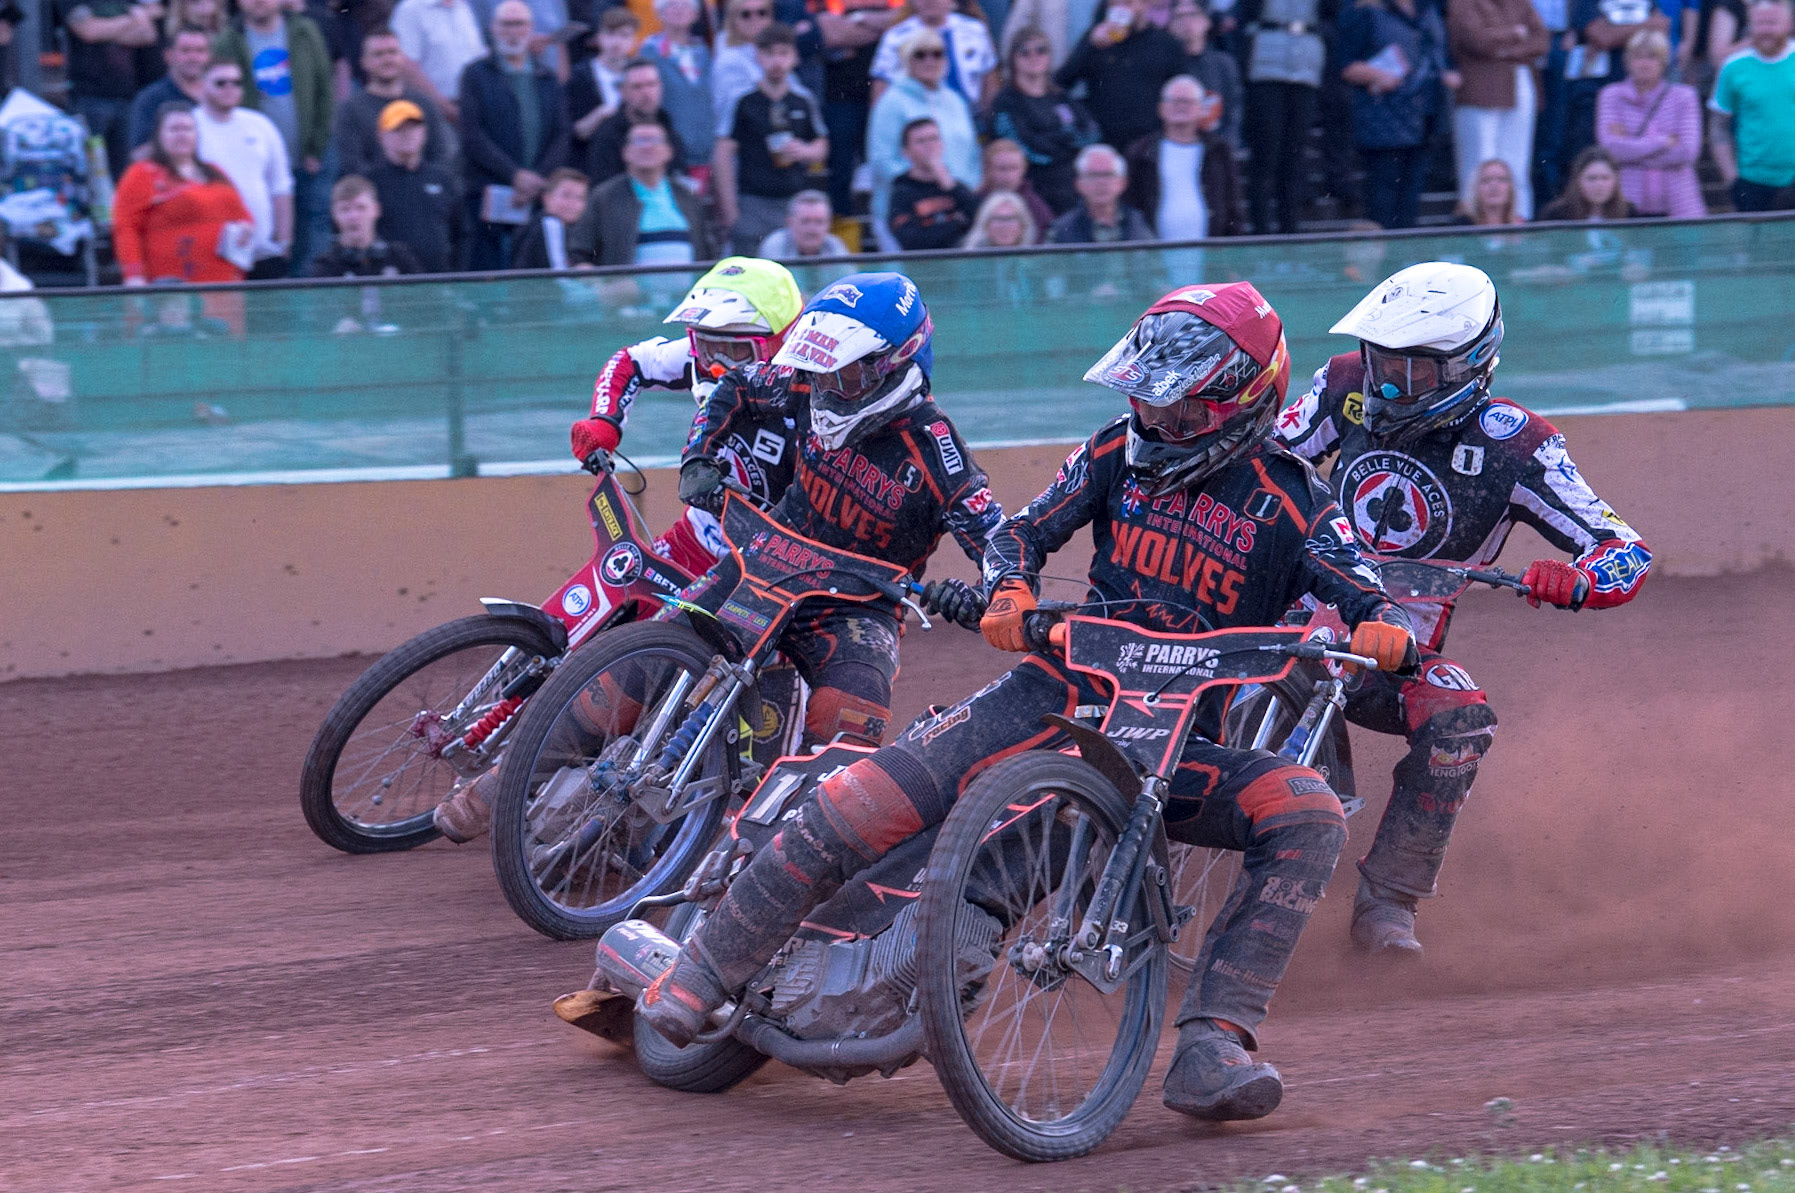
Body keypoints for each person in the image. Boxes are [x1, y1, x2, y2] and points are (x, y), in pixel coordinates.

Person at [636, 281, 1417, 1127]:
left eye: (1179, 409)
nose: (1156, 421)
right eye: (1146, 401)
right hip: (1051, 690)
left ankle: (1213, 1043)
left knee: (1307, 810)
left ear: (1243, 401)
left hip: (1172, 744)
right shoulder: (1114, 450)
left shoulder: (1294, 498)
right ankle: (702, 969)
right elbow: (1021, 528)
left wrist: (1381, 625)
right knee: (861, 798)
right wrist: (1010, 585)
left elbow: (1362, 588)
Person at [1276, 262, 1650, 955]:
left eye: (1412, 369)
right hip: (1288, 608)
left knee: (1460, 717)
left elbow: (1625, 548)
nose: (1388, 383)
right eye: (1380, 360)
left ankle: (1388, 903)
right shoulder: (1341, 384)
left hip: (1390, 651)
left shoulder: (1517, 445)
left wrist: (1578, 578)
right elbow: (1263, 459)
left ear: (1469, 365)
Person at [435, 257, 809, 844]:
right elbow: (630, 361)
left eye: (734, 350)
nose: (716, 362)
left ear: (782, 341)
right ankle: (527, 758)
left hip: (767, 574)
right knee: (612, 635)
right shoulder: (701, 359)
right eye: (706, 344)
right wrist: (605, 422)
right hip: (694, 542)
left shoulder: (813, 401)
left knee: (728, 702)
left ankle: (675, 820)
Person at [670, 270, 1003, 749]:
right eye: (820, 369)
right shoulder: (805, 385)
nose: (824, 386)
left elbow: (1003, 546)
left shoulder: (939, 453)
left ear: (892, 363)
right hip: (766, 560)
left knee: (848, 723)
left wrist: (977, 597)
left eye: (842, 374)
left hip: (856, 607)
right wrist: (698, 455)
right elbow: (737, 384)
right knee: (637, 663)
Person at [215, 0, 336, 275]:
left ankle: (312, 299)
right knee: (270, 250)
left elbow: (324, 89)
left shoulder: (305, 31)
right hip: (258, 166)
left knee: (311, 244)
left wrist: (316, 148)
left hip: (306, 159)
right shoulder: (229, 40)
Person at [460, 0, 573, 270]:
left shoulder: (547, 78)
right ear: (493, 29)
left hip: (538, 198)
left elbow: (561, 134)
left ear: (530, 29)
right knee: (492, 275)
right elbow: (472, 135)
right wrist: (514, 175)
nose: (513, 31)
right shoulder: (476, 75)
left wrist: (537, 180)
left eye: (519, 24)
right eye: (506, 24)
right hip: (489, 196)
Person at [1340, 0, 1457, 229]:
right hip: (1383, 124)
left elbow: (1440, 55)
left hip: (1424, 120)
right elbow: (1346, 65)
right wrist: (1377, 75)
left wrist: (1446, 74)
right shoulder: (1365, 10)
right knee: (1383, 206)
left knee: (1409, 209)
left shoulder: (1428, 10)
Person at [715, 22, 830, 254]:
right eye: (769, 54)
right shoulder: (742, 100)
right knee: (750, 269)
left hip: (795, 203)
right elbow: (723, 153)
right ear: (757, 57)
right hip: (753, 203)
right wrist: (730, 209)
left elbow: (822, 144)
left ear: (794, 57)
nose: (777, 61)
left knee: (794, 270)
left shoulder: (803, 99)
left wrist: (806, 152)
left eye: (783, 53)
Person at [114, 102, 255, 286]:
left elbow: (243, 216)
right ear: (159, 135)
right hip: (171, 287)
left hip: (224, 282)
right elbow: (126, 227)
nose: (182, 134)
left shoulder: (214, 171)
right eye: (174, 129)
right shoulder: (142, 174)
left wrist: (245, 228)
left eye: (188, 129)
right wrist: (134, 275)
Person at [866, 28, 983, 245]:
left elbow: (971, 152)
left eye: (937, 53)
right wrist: (925, 182)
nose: (929, 60)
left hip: (956, 208)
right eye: (920, 54)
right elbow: (881, 159)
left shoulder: (955, 100)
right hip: (906, 211)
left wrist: (963, 188)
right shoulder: (891, 101)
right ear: (907, 60)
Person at [194, 56, 295, 279]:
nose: (229, 88)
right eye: (220, 83)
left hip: (263, 251)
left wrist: (284, 242)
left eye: (236, 82)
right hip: (211, 252)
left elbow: (281, 186)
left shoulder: (260, 125)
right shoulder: (190, 127)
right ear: (202, 86)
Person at [1449, 0, 1549, 219]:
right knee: (1479, 165)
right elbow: (1476, 40)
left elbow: (1541, 40)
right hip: (1480, 87)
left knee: (1518, 164)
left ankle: (1518, 222)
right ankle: (1474, 223)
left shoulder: (1520, 3)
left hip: (1520, 82)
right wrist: (1515, 33)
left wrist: (1503, 49)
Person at [568, 118, 716, 264]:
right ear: (625, 152)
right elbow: (580, 254)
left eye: (654, 140)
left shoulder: (687, 196)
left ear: (669, 151)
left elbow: (708, 253)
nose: (647, 147)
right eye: (639, 141)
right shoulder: (605, 197)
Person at [986, 27, 1099, 214]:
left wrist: (1052, 140)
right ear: (1013, 59)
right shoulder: (1005, 102)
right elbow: (1020, 147)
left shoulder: (1061, 96)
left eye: (1041, 50)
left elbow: (1092, 133)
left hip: (1070, 190)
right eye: (1024, 52)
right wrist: (1064, 141)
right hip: (1032, 193)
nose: (1034, 56)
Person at [1236, 0, 1325, 234]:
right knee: (1265, 153)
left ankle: (1290, 230)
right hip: (1265, 66)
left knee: (1295, 155)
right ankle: (1261, 230)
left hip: (1306, 66)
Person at [1054, 0, 1189, 152]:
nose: (1120, 9)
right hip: (1104, 144)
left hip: (1148, 147)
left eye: (1127, 3)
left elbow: (1183, 90)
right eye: (1113, 4)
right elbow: (1061, 82)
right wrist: (1090, 45)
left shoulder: (1165, 44)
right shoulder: (1095, 40)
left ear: (1144, 5)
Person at [1596, 29, 1704, 217]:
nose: (1644, 63)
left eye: (1652, 57)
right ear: (1628, 61)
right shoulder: (1611, 96)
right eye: (1638, 57)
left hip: (1678, 205)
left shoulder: (1684, 97)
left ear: (1663, 61)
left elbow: (1687, 152)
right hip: (1627, 204)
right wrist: (1662, 142)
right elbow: (1610, 149)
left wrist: (1630, 147)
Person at [55, 0, 165, 181]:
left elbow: (147, 35)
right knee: (90, 173)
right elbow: (89, 31)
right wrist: (137, 18)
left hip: (128, 98)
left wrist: (107, 30)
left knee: (126, 172)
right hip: (89, 99)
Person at [1124, 74, 1242, 239]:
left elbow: (1232, 205)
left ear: (1201, 108)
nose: (1180, 107)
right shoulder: (1141, 152)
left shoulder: (1219, 151)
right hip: (1152, 251)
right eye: (1174, 101)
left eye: (1187, 101)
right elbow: (1132, 205)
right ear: (1161, 108)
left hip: (1213, 250)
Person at [1709, 0, 1795, 212]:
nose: (1766, 30)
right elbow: (1718, 127)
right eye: (1760, 24)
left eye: (1772, 23)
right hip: (1752, 181)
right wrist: (1731, 178)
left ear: (1789, 24)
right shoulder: (1733, 66)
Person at [332, 27, 452, 178]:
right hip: (372, 190)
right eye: (379, 54)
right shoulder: (351, 111)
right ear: (364, 62)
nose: (387, 59)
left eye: (392, 52)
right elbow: (352, 165)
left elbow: (441, 157)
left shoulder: (424, 104)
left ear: (402, 58)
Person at [366, 98, 464, 272]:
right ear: (381, 136)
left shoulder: (442, 179)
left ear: (424, 132)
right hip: (389, 280)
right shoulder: (370, 183)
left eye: (413, 127)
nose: (407, 134)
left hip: (439, 279)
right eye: (398, 129)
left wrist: (456, 273)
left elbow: (462, 232)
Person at [869, 0, 999, 110]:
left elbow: (989, 81)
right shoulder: (895, 37)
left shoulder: (975, 30)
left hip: (972, 119)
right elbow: (880, 91)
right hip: (915, 122)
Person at [583, 58, 692, 184]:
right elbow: (602, 187)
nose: (646, 93)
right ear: (623, 92)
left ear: (661, 87)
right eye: (637, 87)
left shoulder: (669, 130)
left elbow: (679, 178)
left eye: (651, 84)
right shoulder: (607, 135)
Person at [640, 0, 717, 172]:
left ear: (695, 14)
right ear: (659, 13)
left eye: (685, 4)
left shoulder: (703, 52)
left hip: (706, 155)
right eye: (672, 4)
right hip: (670, 156)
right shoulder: (650, 52)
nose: (679, 8)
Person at [887, 117, 980, 248]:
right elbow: (912, 241)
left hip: (962, 259)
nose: (929, 145)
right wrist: (958, 223)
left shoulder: (957, 187)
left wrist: (951, 187)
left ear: (943, 144)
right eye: (921, 141)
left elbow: (983, 220)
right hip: (925, 261)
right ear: (906, 152)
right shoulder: (901, 192)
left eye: (934, 138)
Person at [389, 0, 488, 123]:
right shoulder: (411, 10)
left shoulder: (463, 7)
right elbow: (406, 65)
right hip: (438, 113)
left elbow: (479, 55)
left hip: (477, 107)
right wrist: (445, 108)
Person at [308, 173, 424, 276]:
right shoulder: (325, 267)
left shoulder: (400, 258)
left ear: (376, 209)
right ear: (333, 214)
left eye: (361, 208)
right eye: (345, 209)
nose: (353, 216)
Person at [1169, 0, 1243, 151]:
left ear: (1206, 21)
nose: (1186, 22)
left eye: (1192, 15)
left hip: (1215, 149)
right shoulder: (1164, 65)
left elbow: (1233, 116)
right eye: (1179, 16)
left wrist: (1224, 152)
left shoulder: (1223, 65)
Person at [570, 8, 641, 164]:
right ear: (599, 37)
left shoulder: (641, 75)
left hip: (633, 162)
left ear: (634, 40)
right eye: (610, 34)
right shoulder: (579, 76)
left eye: (624, 35)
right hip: (590, 161)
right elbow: (574, 131)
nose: (616, 42)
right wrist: (601, 114)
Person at [128, 26, 214, 153]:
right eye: (185, 51)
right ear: (168, 56)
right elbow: (137, 154)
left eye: (200, 51)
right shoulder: (151, 99)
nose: (193, 57)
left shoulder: (221, 93)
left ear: (210, 56)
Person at [1047, 142, 1153, 242]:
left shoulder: (1139, 223)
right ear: (1078, 184)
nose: (1101, 182)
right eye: (1093, 175)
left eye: (1108, 174)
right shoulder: (1062, 229)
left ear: (1122, 182)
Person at [512, 167, 591, 267]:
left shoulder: (578, 229)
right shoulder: (550, 225)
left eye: (580, 197)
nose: (573, 203)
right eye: (566, 195)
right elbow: (559, 272)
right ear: (547, 198)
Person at [978, 136, 1058, 231]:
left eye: (1013, 168)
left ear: (1024, 169)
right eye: (1002, 169)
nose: (1008, 176)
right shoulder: (975, 202)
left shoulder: (1037, 208)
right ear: (988, 169)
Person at [1538, 143, 1637, 217]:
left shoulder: (1629, 213)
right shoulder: (1556, 215)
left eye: (1605, 178)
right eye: (1592, 178)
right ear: (1578, 181)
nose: (1599, 184)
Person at [757, 188, 851, 256]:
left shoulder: (834, 246)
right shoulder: (775, 245)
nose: (812, 229)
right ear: (790, 222)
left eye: (819, 222)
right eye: (806, 221)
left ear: (829, 224)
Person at [1451, 156, 1528, 222]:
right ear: (1475, 189)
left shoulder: (1525, 228)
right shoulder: (1459, 228)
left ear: (1511, 189)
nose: (1494, 186)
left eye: (1501, 179)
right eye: (1486, 180)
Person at [961, 187, 1039, 244]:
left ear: (1023, 224)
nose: (1004, 226)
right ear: (985, 223)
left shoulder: (1036, 259)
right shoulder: (967, 259)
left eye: (1010, 218)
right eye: (998, 219)